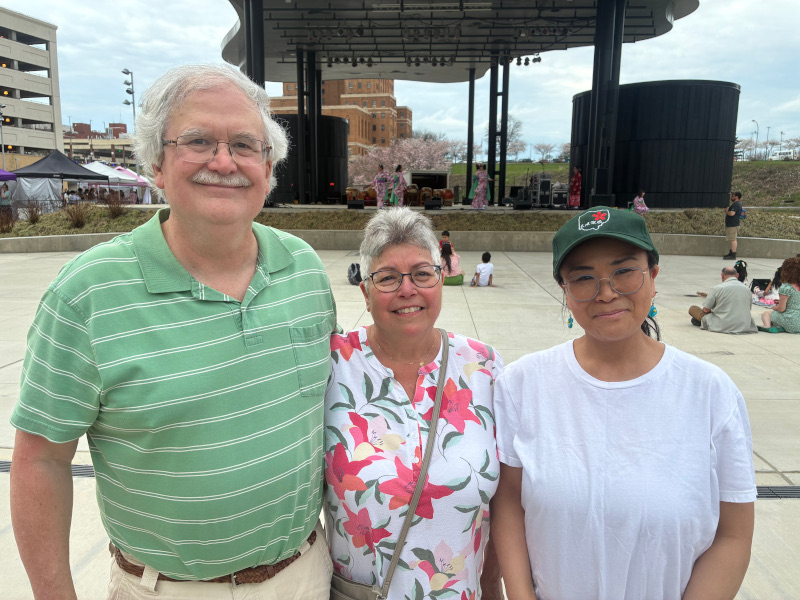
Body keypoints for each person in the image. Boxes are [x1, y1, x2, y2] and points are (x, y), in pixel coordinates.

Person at [10, 64, 337, 599]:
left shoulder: (301, 267)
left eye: (245, 145)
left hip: (304, 575)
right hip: (167, 589)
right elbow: (40, 460)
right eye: (198, 141)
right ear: (156, 164)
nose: (224, 162)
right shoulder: (88, 293)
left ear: (269, 167)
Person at [492, 206, 756, 600]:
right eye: (583, 278)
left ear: (653, 276)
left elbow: (734, 534)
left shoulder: (710, 392)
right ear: (564, 291)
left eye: (624, 271)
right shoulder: (522, 384)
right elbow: (509, 504)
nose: (607, 293)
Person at [325, 207, 504, 600]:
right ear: (365, 293)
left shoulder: (484, 365)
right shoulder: (332, 365)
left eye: (422, 274)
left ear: (441, 279)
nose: (408, 290)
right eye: (388, 278)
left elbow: (506, 502)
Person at [689, 266, 758, 334]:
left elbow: (706, 310)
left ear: (722, 275)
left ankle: (702, 321)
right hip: (744, 325)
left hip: (722, 325)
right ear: (737, 275)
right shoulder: (747, 290)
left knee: (693, 309)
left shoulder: (717, 288)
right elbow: (748, 308)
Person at [760, 257, 800, 333]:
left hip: (792, 321)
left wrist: (774, 307)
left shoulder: (786, 287)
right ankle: (781, 327)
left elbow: (781, 309)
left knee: (766, 314)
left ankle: (767, 327)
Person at [724, 191, 744, 260]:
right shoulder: (736, 204)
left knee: (733, 239)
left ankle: (733, 254)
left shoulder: (736, 204)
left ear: (736, 197)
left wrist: (727, 211)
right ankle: (731, 252)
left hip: (733, 224)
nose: (731, 197)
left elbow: (732, 213)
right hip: (732, 224)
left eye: (733, 195)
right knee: (732, 239)